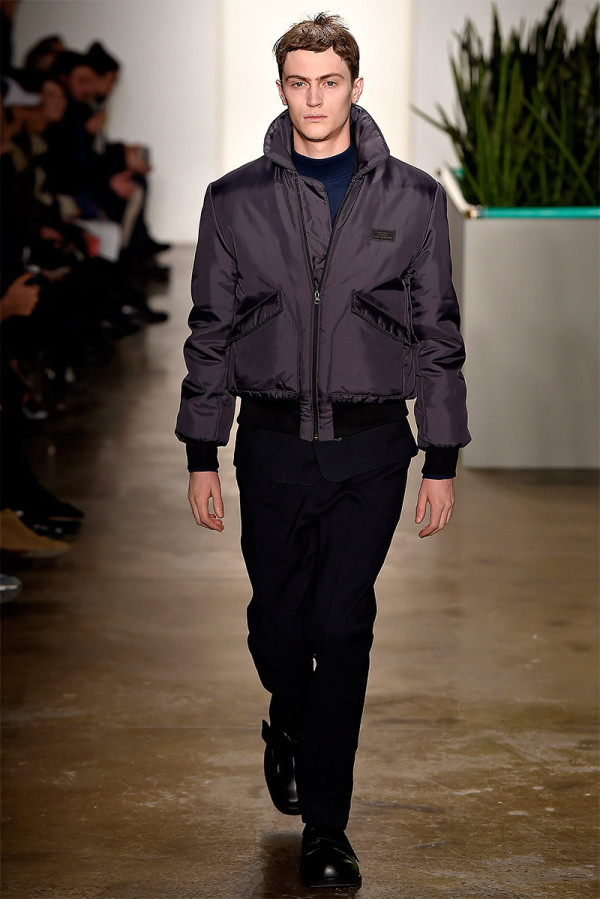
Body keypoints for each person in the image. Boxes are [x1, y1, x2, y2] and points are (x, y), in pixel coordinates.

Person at [176, 13, 470, 890]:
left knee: (342, 626)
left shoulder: (413, 198)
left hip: (371, 447)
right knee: (279, 625)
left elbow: (437, 333)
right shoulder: (233, 200)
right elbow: (210, 329)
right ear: (281, 89)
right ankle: (288, 719)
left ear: (355, 86)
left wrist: (442, 458)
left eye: (329, 81)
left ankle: (328, 827)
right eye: (299, 82)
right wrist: (201, 449)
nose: (314, 98)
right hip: (269, 443)